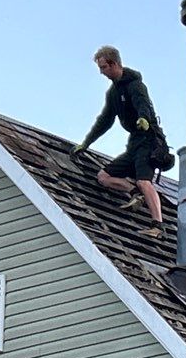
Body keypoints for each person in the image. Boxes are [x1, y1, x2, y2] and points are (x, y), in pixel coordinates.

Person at [70, 46, 171, 235]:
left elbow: (143, 104)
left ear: (114, 63)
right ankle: (134, 193)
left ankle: (158, 226)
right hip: (134, 143)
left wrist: (144, 119)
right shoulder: (113, 94)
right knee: (104, 177)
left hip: (149, 140)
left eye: (103, 67)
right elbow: (105, 120)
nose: (101, 72)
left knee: (144, 181)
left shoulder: (136, 85)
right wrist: (86, 143)